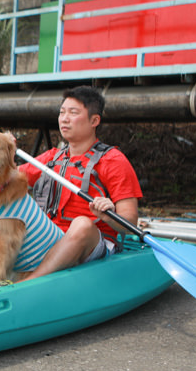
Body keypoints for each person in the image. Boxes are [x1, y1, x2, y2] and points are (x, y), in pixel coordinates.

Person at [16, 85, 142, 281]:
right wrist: (2, 149)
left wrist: (110, 215)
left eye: (73, 113)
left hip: (92, 244)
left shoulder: (113, 161)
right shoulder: (51, 158)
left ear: (94, 120)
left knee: (82, 224)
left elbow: (130, 221)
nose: (64, 118)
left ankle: (30, 282)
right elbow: (5, 180)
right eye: (62, 112)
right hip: (49, 238)